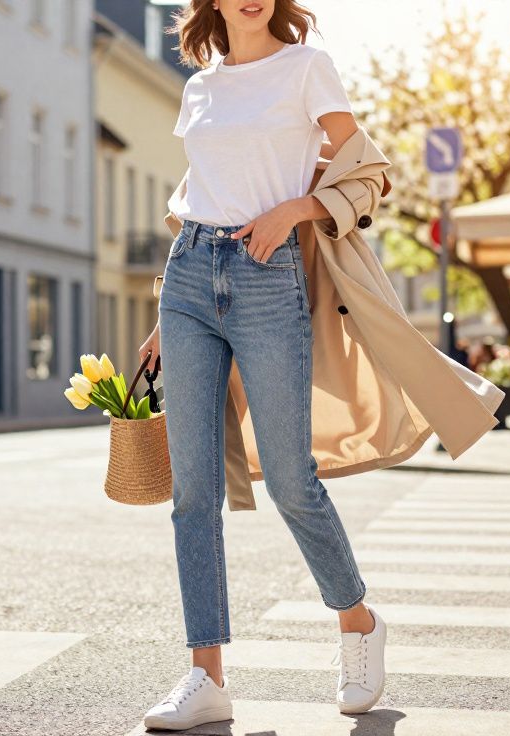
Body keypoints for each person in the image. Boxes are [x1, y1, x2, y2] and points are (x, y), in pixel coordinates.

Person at [136, 1, 385, 729]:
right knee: (191, 493)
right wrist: (161, 312)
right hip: (188, 278)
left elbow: (368, 171)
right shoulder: (200, 86)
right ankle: (205, 676)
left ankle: (358, 623)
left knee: (291, 481)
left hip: (266, 275)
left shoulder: (308, 68)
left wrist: (298, 209)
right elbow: (196, 198)